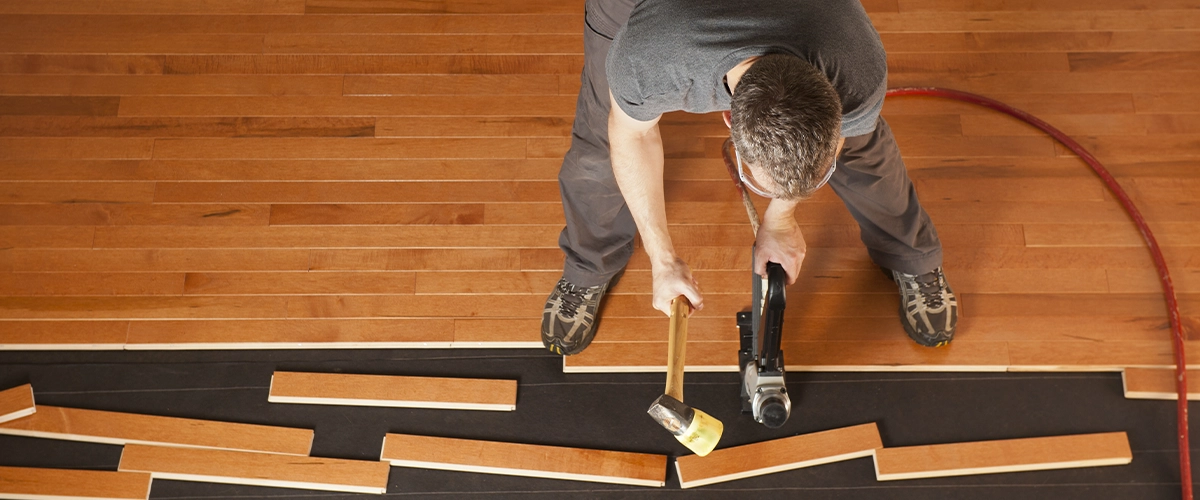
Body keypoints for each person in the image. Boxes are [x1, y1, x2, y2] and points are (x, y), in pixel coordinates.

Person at [542, 0, 959, 356]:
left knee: (865, 145)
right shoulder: (648, 58)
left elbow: (834, 141)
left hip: (804, 19)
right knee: (601, 147)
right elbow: (631, 135)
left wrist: (781, 219)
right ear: (728, 120)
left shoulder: (852, 61)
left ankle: (912, 257)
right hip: (649, 13)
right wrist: (661, 259)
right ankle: (587, 265)